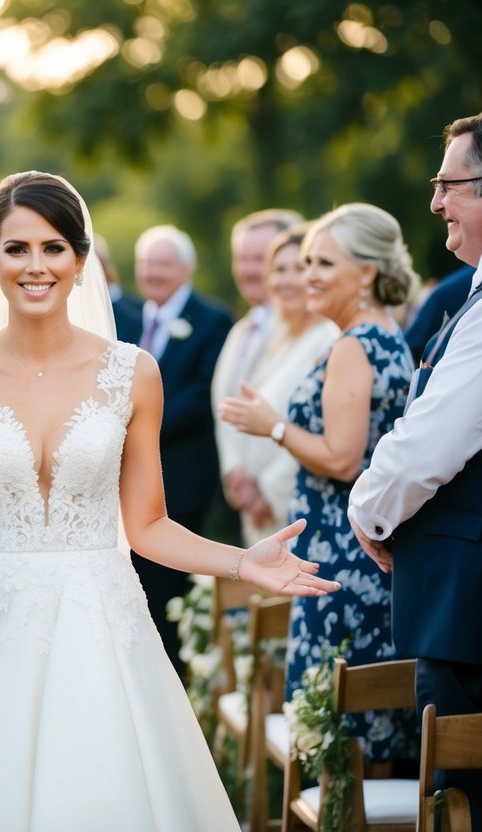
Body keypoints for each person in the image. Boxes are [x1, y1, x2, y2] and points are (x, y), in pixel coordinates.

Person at [0, 171, 339, 830]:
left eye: (53, 248)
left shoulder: (132, 372)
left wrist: (240, 561)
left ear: (81, 261)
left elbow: (147, 525)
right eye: (16, 248)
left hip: (102, 624)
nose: (36, 265)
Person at [220, 201, 420, 764]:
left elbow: (342, 458)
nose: (308, 275)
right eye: (307, 262)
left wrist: (273, 426)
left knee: (340, 730)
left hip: (341, 560)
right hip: (356, 551)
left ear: (367, 272)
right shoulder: (387, 335)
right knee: (360, 730)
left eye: (324, 264)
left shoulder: (354, 345)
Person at [349, 112, 482, 816]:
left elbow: (432, 439)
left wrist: (367, 509)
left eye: (447, 185)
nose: (435, 203)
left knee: (460, 801)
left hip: (466, 610)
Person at [133, 224, 234, 676]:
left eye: (164, 264)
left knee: (169, 598)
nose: (153, 273)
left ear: (186, 269)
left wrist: (134, 423)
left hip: (181, 483)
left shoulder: (213, 321)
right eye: (147, 264)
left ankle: (174, 679)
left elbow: (201, 395)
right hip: (127, 487)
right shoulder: (125, 318)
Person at [216, 225, 339, 544]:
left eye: (297, 268)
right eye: (279, 270)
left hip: (295, 507)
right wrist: (239, 476)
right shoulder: (273, 338)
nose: (285, 280)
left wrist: (267, 491)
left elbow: (320, 426)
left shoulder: (329, 339)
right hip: (256, 508)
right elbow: (234, 404)